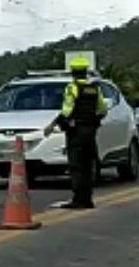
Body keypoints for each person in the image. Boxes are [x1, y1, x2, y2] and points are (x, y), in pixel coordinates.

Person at [43, 56, 107, 209]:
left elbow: (67, 111)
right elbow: (102, 110)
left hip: (76, 132)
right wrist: (93, 121)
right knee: (88, 165)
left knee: (76, 166)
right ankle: (88, 199)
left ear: (73, 73)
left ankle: (78, 199)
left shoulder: (72, 88)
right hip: (90, 132)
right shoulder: (94, 88)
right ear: (85, 71)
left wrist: (52, 125)